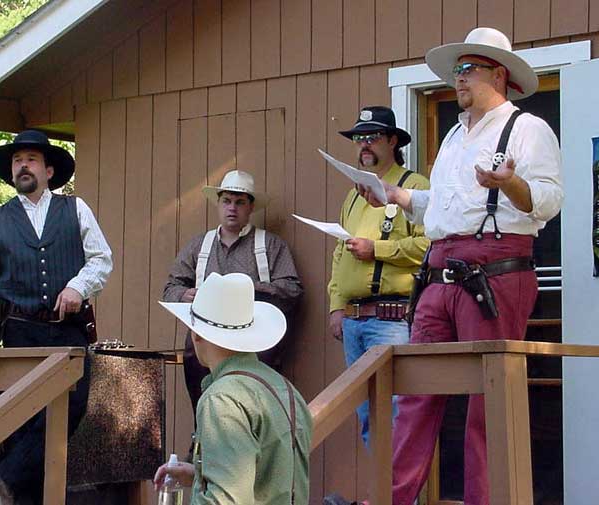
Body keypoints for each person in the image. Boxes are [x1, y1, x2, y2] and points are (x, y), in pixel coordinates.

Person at [349, 27, 562, 505]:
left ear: (498, 74)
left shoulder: (527, 129)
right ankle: (392, 499)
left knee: (487, 404)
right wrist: (396, 195)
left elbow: (548, 201)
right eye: (457, 71)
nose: (458, 79)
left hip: (496, 272)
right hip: (439, 273)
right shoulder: (452, 135)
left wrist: (510, 184)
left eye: (467, 69)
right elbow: (444, 208)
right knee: (417, 396)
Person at [0, 130, 113, 505]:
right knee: (25, 419)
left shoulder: (76, 210)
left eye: (30, 159)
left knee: (73, 405)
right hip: (20, 332)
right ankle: (14, 491)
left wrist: (78, 287)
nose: (22, 166)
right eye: (17, 161)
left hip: (69, 332)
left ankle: (5, 479)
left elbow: (101, 259)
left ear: (48, 170)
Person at [154, 272, 312, 504]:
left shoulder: (222, 399)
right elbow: (271, 475)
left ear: (196, 334)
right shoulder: (284, 388)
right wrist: (200, 474)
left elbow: (226, 500)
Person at [328, 106, 429, 448]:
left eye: (373, 137)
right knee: (369, 421)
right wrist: (336, 306)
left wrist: (378, 250)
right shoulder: (354, 194)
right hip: (354, 323)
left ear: (394, 141)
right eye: (359, 138)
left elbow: (430, 246)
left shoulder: (414, 188)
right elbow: (340, 251)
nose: (364, 145)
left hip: (393, 318)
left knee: (399, 420)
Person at [163, 169, 303, 413]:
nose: (232, 208)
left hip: (253, 340)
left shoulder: (270, 245)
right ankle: (202, 442)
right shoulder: (198, 246)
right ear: (218, 205)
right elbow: (170, 289)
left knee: (253, 406)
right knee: (204, 402)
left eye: (240, 202)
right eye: (226, 201)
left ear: (251, 207)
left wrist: (249, 288)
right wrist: (185, 295)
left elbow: (292, 290)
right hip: (204, 342)